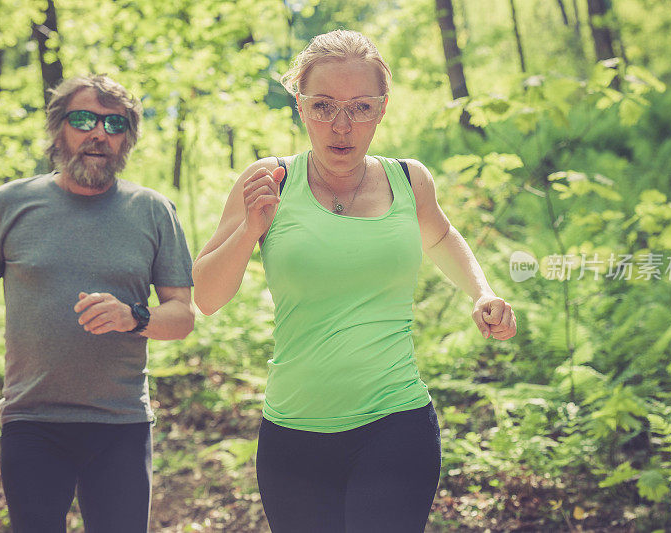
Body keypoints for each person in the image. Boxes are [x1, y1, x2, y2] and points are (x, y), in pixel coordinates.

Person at [192, 30, 517, 532]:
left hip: (396, 423)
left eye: (360, 108)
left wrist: (483, 292)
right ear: (300, 106)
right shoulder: (269, 180)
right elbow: (207, 298)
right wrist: (250, 229)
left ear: (381, 109)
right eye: (323, 106)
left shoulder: (410, 181)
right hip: (293, 436)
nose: (341, 126)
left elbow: (442, 237)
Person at [0, 75, 195, 533]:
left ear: (126, 139)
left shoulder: (154, 210)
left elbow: (182, 315)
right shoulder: (11, 203)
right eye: (83, 119)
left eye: (114, 123)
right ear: (59, 129)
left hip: (120, 422)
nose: (98, 133)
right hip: (32, 420)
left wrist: (133, 316)